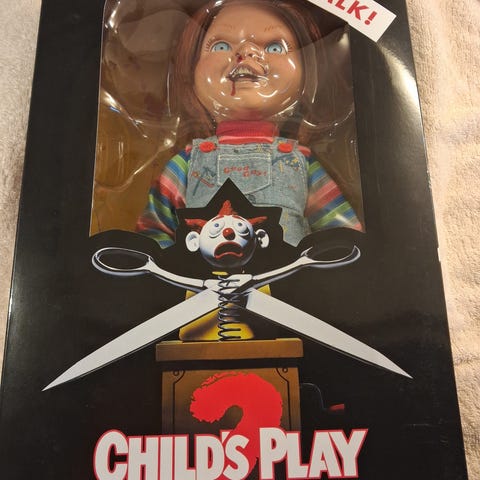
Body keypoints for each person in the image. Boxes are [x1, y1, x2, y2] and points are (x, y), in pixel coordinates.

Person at [136, 0, 362, 248]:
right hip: (206, 272)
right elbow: (152, 231)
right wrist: (173, 267)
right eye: (221, 46)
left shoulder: (299, 162)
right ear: (191, 66)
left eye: (275, 47)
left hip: (287, 273)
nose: (246, 52)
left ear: (307, 70)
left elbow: (342, 235)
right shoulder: (188, 163)